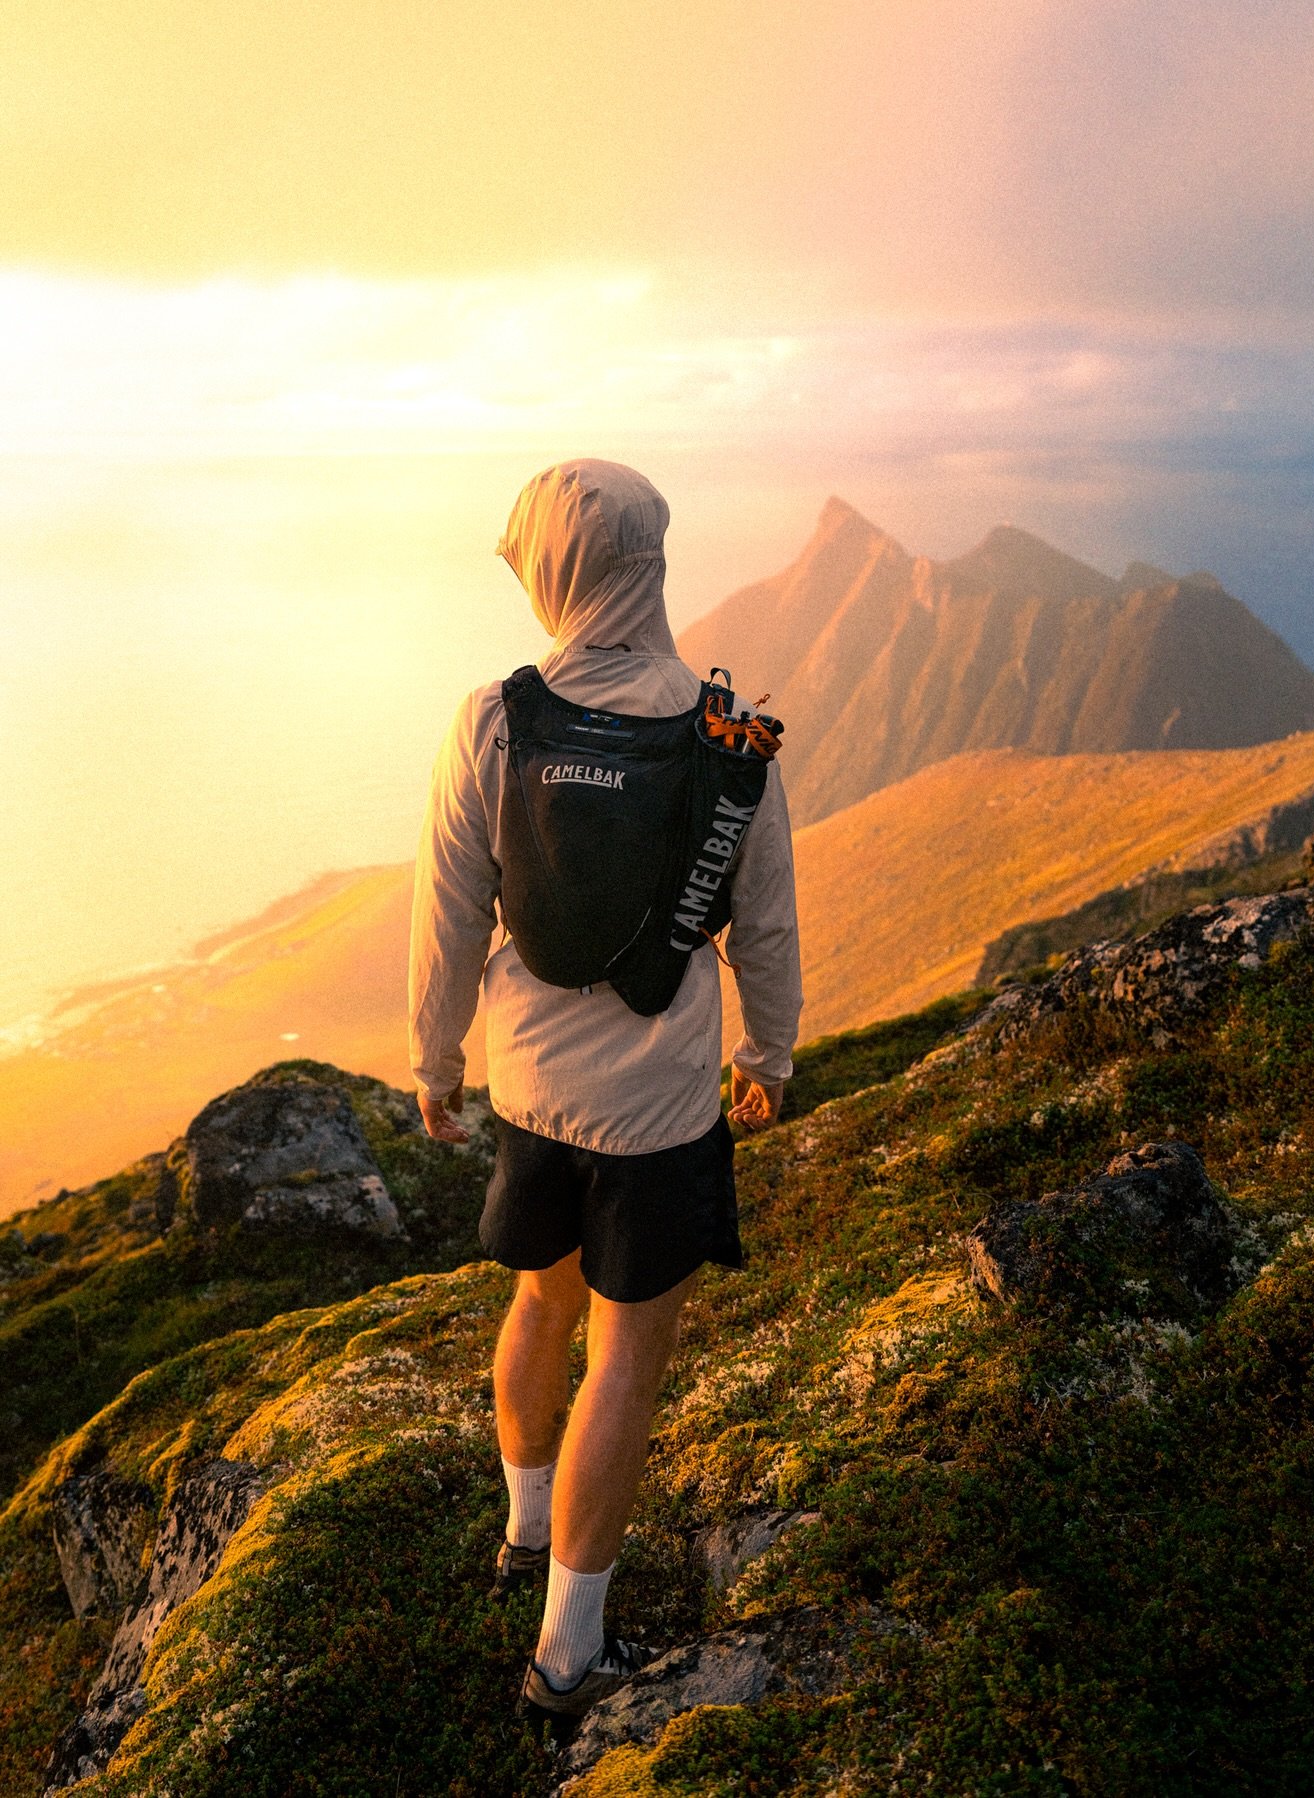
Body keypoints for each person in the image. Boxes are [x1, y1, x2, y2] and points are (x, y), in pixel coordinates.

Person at [407, 459, 803, 1728]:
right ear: (653, 566)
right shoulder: (723, 739)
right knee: (625, 1354)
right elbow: (766, 927)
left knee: (540, 1295)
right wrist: (770, 1056)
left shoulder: (493, 719)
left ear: (553, 573)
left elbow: (448, 916)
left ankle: (528, 1531)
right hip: (657, 1108)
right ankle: (568, 1655)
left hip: (528, 1090)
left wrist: (435, 1064)